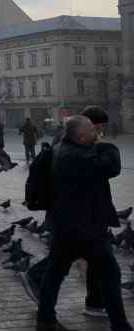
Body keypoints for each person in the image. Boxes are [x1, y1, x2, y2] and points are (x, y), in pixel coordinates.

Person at [34, 115, 134, 331]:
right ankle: (121, 330)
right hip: (84, 227)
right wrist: (104, 144)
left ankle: (45, 319)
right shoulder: (77, 156)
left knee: (55, 271)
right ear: (80, 136)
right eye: (92, 130)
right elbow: (111, 166)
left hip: (63, 224)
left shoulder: (61, 149)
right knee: (110, 274)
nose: (97, 133)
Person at [22, 107, 111, 318]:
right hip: (75, 214)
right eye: (98, 125)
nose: (100, 130)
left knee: (76, 256)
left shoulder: (75, 141)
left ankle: (94, 303)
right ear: (87, 125)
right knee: (71, 258)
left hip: (79, 212)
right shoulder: (72, 144)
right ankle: (94, 305)